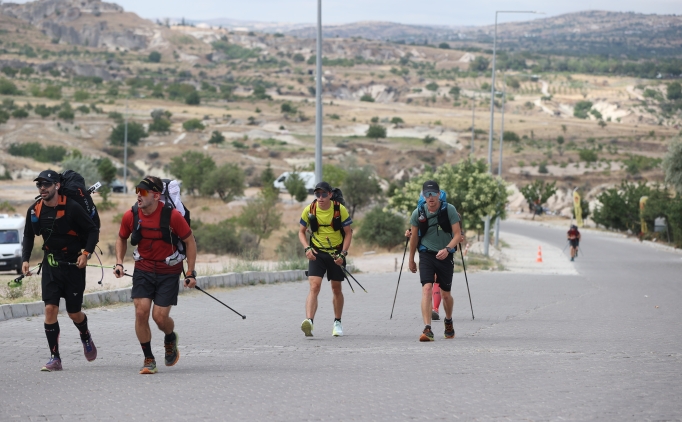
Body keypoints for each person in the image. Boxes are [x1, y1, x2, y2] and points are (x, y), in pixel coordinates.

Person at [114, 176, 197, 374]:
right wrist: (119, 262)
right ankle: (148, 359)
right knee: (141, 312)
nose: (138, 195)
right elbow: (121, 238)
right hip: (143, 269)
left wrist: (191, 272)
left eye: (142, 192)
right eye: (137, 191)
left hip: (169, 271)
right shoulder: (131, 215)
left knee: (160, 317)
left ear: (156, 195)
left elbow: (190, 242)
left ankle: (169, 336)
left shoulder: (172, 216)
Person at [21, 170, 100, 372]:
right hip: (51, 264)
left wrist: (86, 253)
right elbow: (29, 235)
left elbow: (92, 230)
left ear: (57, 185)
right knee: (50, 309)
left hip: (74, 264)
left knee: (74, 313)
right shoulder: (35, 209)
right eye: (39, 185)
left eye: (46, 184)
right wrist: (25, 259)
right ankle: (55, 358)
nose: (42, 188)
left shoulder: (72, 207)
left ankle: (85, 335)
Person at [408, 180, 462, 342]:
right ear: (423, 196)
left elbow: (458, 235)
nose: (431, 197)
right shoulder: (418, 213)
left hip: (445, 254)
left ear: (439, 194)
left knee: (446, 295)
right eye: (427, 194)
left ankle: (448, 321)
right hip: (426, 254)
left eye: (433, 194)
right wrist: (411, 259)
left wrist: (447, 249)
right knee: (427, 288)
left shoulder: (449, 210)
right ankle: (427, 328)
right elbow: (413, 238)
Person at [298, 181, 353, 337]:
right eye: (317, 194)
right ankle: (309, 321)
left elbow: (348, 233)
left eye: (323, 194)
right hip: (317, 253)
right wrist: (306, 248)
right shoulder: (310, 209)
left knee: (336, 288)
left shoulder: (339, 209)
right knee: (314, 287)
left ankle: (337, 322)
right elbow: (301, 232)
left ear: (330, 194)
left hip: (336, 253)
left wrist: (343, 254)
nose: (320, 198)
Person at [405, 229, 441, 321]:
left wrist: (460, 235)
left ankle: (435, 309)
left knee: (438, 279)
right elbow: (417, 229)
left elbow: (456, 228)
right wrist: (410, 233)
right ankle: (432, 310)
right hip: (425, 252)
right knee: (428, 283)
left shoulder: (447, 214)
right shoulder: (420, 214)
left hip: (442, 249)